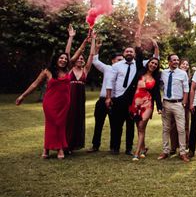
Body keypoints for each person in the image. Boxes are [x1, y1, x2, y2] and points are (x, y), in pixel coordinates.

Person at [15, 25, 86, 159]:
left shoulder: (67, 69)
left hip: (64, 103)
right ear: (56, 59)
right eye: (61, 58)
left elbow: (77, 52)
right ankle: (54, 149)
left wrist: (77, 39)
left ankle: (50, 149)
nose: (64, 60)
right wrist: (22, 96)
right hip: (50, 102)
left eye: (65, 59)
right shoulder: (47, 71)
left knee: (60, 124)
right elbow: (35, 84)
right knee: (52, 124)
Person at [106, 39, 159, 155]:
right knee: (116, 124)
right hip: (118, 98)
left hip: (133, 99)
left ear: (134, 54)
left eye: (131, 51)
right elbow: (110, 81)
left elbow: (154, 61)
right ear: (124, 54)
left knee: (130, 125)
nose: (129, 53)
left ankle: (129, 148)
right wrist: (109, 97)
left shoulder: (140, 65)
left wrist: (155, 48)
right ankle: (115, 147)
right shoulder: (116, 66)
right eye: (127, 51)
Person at [126, 42, 163, 161]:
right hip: (136, 103)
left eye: (155, 64)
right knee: (139, 127)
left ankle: (136, 153)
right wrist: (137, 42)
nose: (153, 65)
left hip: (148, 104)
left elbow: (157, 93)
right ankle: (143, 149)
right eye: (152, 62)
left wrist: (159, 107)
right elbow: (139, 55)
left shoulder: (156, 78)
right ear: (148, 63)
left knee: (141, 126)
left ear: (157, 66)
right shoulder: (140, 70)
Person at [88, 36, 123, 153]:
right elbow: (95, 61)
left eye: (122, 60)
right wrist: (97, 49)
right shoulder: (108, 68)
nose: (121, 62)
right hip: (102, 100)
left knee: (115, 125)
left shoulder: (125, 72)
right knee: (98, 124)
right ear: (113, 61)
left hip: (115, 101)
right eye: (119, 60)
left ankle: (113, 147)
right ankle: (95, 146)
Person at [65, 27, 94, 153]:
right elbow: (67, 53)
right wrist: (71, 37)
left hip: (80, 98)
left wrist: (93, 40)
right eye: (79, 58)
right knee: (68, 120)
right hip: (68, 97)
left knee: (77, 120)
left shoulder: (85, 70)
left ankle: (73, 145)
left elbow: (92, 55)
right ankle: (65, 144)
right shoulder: (69, 68)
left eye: (82, 59)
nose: (81, 59)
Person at [158, 54, 190, 162]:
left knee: (181, 129)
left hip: (178, 103)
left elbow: (186, 89)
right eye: (174, 60)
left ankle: (182, 152)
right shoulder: (163, 73)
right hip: (166, 103)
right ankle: (165, 151)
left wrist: (184, 103)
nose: (176, 61)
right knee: (166, 129)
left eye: (177, 60)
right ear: (169, 62)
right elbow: (159, 86)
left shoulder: (183, 73)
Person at [170, 59, 192, 153]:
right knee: (173, 125)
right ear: (180, 65)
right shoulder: (175, 75)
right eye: (183, 63)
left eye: (187, 64)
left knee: (185, 125)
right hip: (175, 102)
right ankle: (173, 146)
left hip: (185, 104)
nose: (185, 65)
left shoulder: (190, 78)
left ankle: (185, 145)